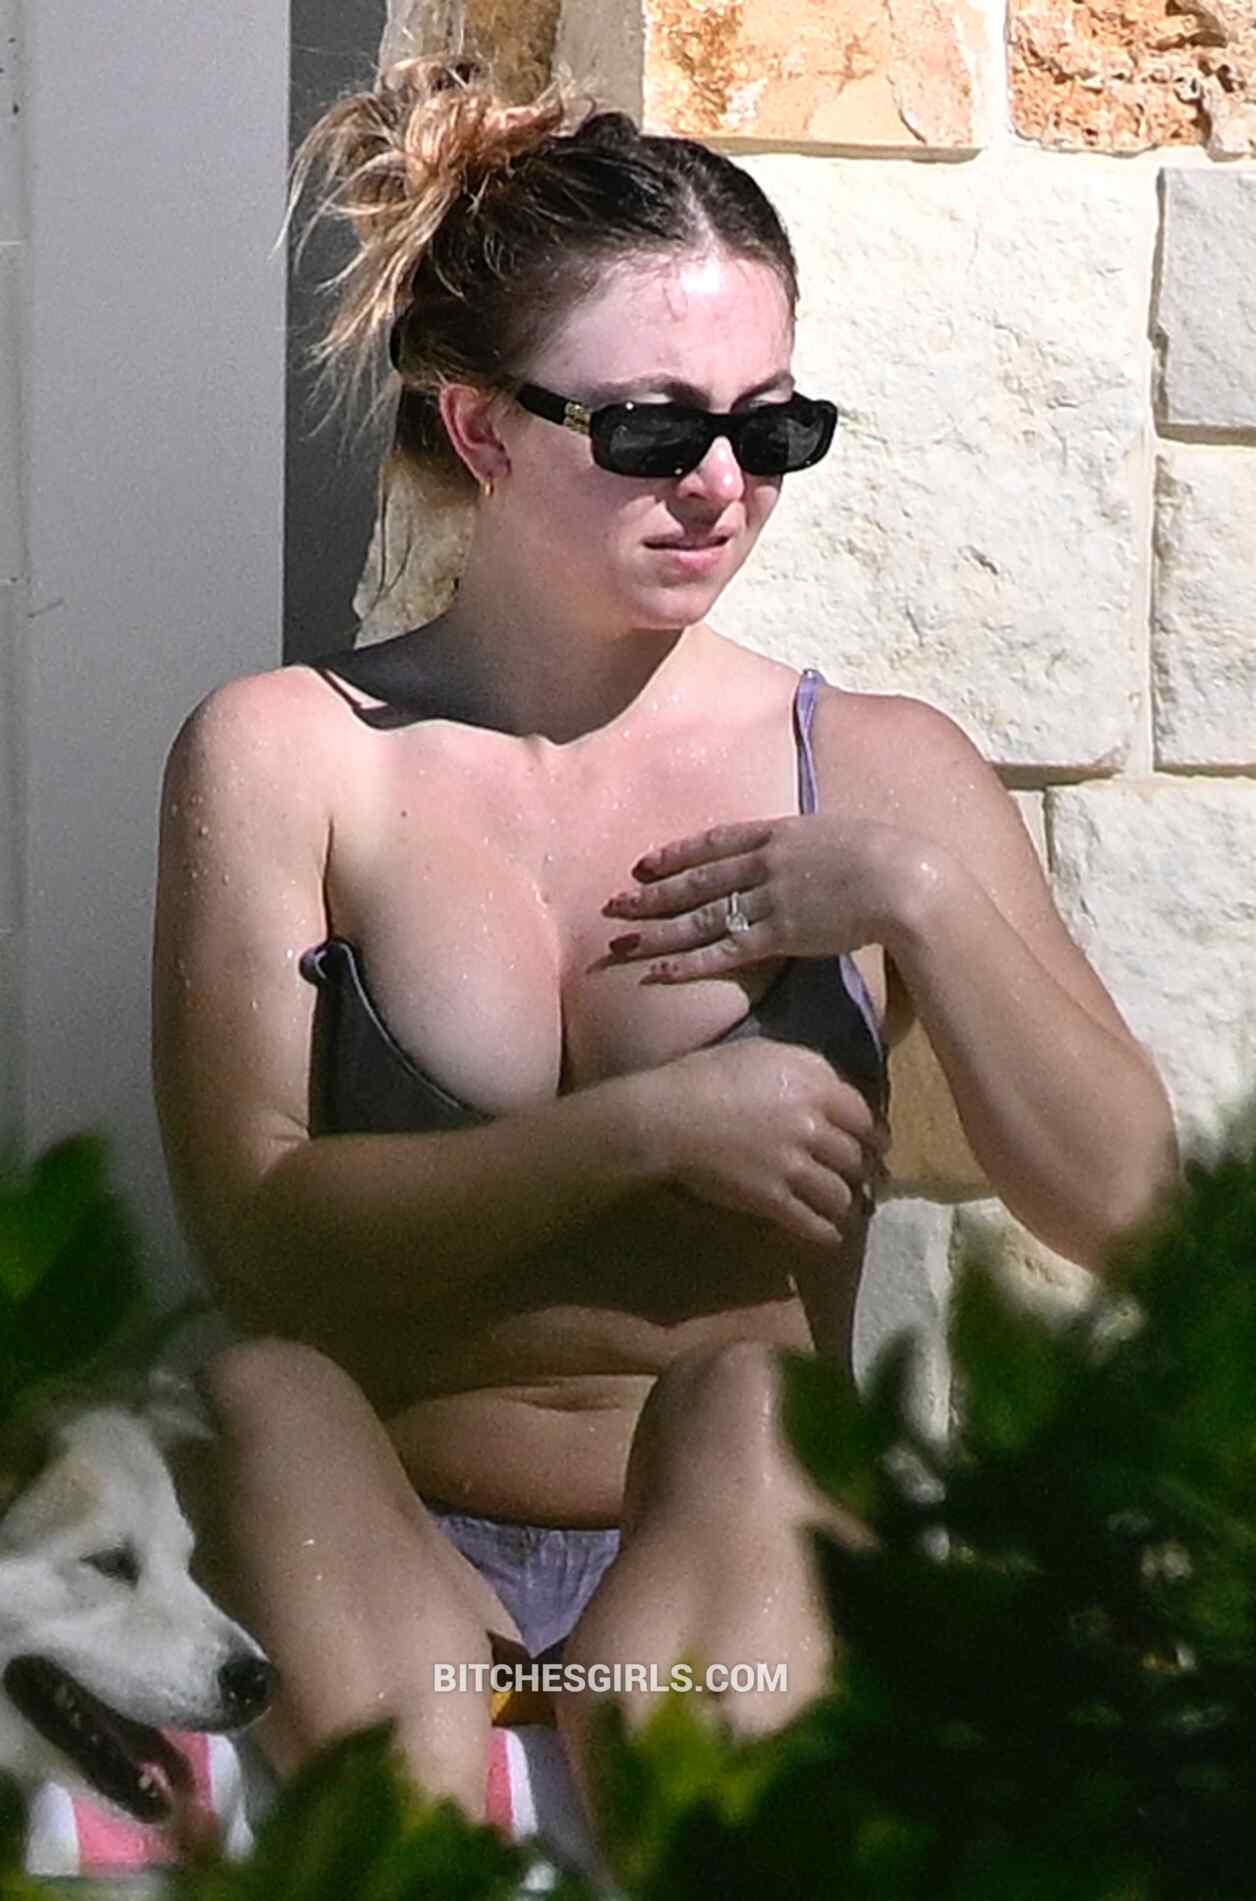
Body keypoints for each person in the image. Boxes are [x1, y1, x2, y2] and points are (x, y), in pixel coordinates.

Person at [152, 56, 1178, 1828]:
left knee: (754, 1400)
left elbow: (1142, 1216)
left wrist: (923, 900)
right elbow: (261, 1233)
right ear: (483, 429)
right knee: (263, 1394)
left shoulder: (871, 771)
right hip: (396, 1585)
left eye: (770, 430)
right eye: (650, 429)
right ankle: (438, 1824)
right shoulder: (293, 755)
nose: (720, 485)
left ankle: (641, 1805)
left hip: (715, 1596)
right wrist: (643, 1130)